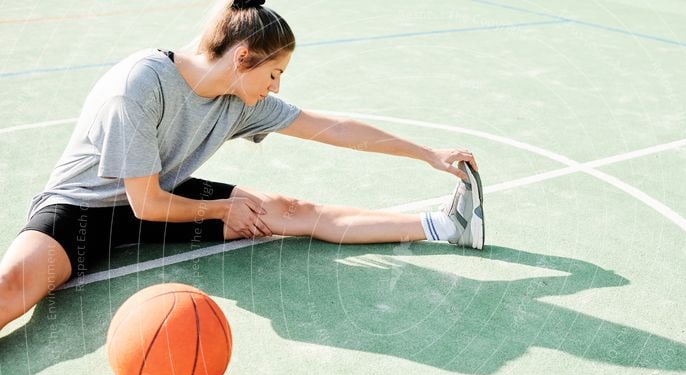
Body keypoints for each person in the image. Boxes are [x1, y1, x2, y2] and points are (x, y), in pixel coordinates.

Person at [0, 0, 484, 333]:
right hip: (80, 212)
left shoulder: (239, 99)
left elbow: (334, 128)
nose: (275, 88)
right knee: (13, 291)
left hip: (163, 197)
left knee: (294, 210)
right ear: (242, 56)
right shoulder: (140, 86)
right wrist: (219, 210)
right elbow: (143, 202)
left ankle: (443, 226)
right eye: (273, 74)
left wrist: (428, 154)